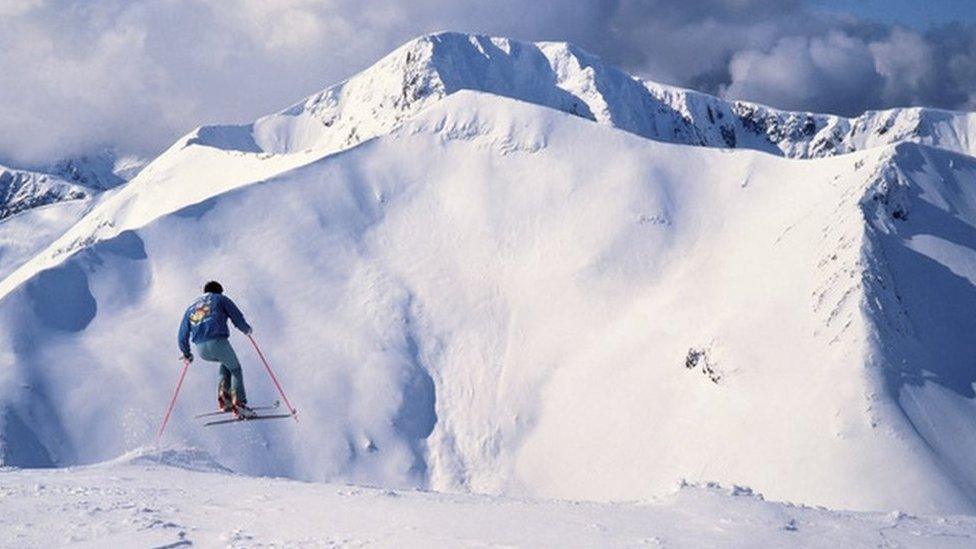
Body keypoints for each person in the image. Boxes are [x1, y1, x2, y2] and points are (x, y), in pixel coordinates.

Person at [178, 280, 256, 419]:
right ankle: (239, 405)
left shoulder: (191, 308)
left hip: (201, 349)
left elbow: (182, 332)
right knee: (235, 369)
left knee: (226, 363)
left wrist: (186, 353)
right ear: (218, 291)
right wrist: (246, 329)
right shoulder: (220, 299)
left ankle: (224, 399)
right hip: (218, 342)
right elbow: (236, 316)